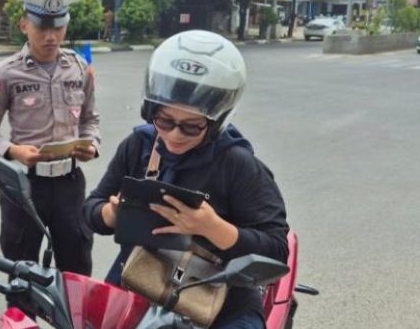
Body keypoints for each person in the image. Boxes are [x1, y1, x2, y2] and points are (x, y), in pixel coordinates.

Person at [82, 30, 288, 329]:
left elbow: (277, 250)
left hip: (221, 299)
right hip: (138, 282)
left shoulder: (239, 165)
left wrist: (214, 228)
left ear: (217, 121)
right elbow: (91, 210)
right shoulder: (139, 146)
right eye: (164, 121)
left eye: (191, 127)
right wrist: (112, 213)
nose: (174, 135)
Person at [0, 0, 101, 276]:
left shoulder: (79, 69)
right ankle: (23, 321)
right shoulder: (5, 73)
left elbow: (90, 119)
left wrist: (91, 144)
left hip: (69, 183)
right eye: (43, 27)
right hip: (24, 186)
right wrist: (13, 151)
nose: (51, 36)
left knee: (77, 270)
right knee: (22, 272)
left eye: (58, 27)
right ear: (24, 26)